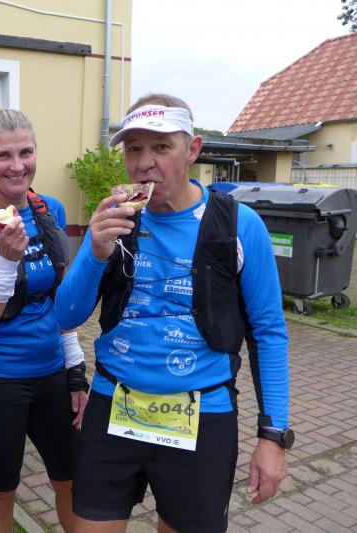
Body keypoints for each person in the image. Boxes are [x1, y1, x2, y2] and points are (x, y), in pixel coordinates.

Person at [55, 94, 291, 533]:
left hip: (202, 415)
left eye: (161, 147)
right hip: (114, 407)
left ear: (192, 150)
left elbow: (269, 332)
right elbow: (66, 316)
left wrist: (273, 436)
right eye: (134, 149)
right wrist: (96, 251)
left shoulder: (239, 225)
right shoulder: (115, 219)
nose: (145, 163)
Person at [0, 108, 88, 532]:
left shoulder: (50, 210)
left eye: (25, 152)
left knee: (72, 481)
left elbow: (60, 299)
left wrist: (76, 370)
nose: (17, 166)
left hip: (52, 373)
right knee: (1, 490)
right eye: (3, 155)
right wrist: (6, 261)